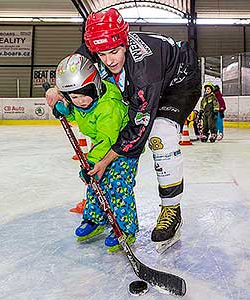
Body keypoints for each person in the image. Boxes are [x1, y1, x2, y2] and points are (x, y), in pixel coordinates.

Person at [46, 8, 201, 250]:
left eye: (115, 51)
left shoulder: (144, 72)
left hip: (179, 81)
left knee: (160, 136)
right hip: (148, 80)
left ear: (125, 42)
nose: (109, 60)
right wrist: (58, 90)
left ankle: (171, 209)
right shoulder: (97, 43)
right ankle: (101, 204)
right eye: (102, 53)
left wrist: (104, 162)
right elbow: (76, 66)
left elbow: (139, 130)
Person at [49, 53, 139, 253]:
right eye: (74, 97)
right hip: (100, 148)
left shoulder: (109, 107)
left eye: (84, 94)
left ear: (96, 85)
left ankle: (125, 228)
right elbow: (79, 112)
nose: (80, 101)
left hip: (122, 150)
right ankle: (96, 219)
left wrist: (91, 162)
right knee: (94, 184)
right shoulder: (84, 101)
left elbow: (107, 139)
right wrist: (65, 110)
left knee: (117, 186)